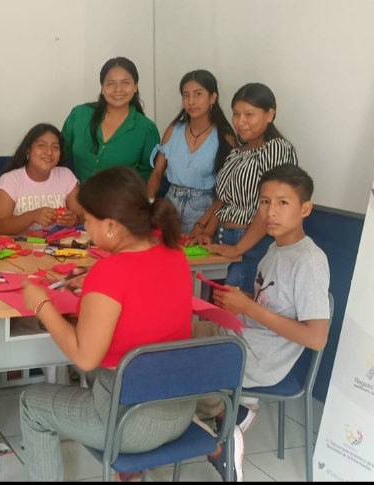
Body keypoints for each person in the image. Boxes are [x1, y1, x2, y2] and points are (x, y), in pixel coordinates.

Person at [17, 166, 196, 482]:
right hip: (181, 409)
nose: (85, 228)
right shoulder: (174, 253)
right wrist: (94, 286)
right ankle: (132, 471)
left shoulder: (110, 273)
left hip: (131, 423)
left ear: (111, 225)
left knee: (32, 405)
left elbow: (85, 357)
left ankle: (127, 462)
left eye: (88, 221)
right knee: (102, 369)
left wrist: (41, 305)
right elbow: (141, 293)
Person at [203, 164, 331, 481]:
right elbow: (269, 301)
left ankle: (224, 425)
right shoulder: (276, 247)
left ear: (305, 209)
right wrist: (240, 299)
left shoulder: (308, 262)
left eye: (282, 203)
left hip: (265, 357)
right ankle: (231, 410)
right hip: (246, 335)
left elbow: (316, 338)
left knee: (178, 363)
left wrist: (248, 307)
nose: (270, 212)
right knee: (176, 334)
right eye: (264, 202)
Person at [195, 83, 298, 289]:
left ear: (270, 115)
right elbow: (225, 201)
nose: (240, 122)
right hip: (223, 238)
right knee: (215, 301)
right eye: (236, 114)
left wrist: (238, 248)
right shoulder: (237, 154)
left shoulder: (276, 149)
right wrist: (207, 232)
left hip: (252, 244)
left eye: (249, 115)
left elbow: (270, 208)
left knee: (234, 304)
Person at [147, 70, 237, 234]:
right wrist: (150, 203)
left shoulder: (225, 137)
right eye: (186, 95)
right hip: (170, 207)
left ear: (213, 97)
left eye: (198, 94)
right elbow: (157, 172)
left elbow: (229, 189)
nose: (191, 101)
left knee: (195, 250)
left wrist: (205, 224)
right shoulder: (173, 130)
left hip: (204, 210)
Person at [62, 57, 159, 184]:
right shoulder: (79, 115)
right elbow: (61, 155)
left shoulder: (146, 129)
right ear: (102, 88)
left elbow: (148, 176)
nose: (118, 89)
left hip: (123, 197)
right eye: (111, 84)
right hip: (76, 195)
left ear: (135, 87)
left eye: (125, 83)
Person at [0, 123, 84, 235]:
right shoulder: (9, 181)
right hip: (19, 245)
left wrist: (75, 220)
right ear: (28, 150)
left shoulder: (66, 176)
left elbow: (83, 218)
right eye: (42, 145)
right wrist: (32, 216)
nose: (49, 152)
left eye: (55, 147)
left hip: (59, 244)